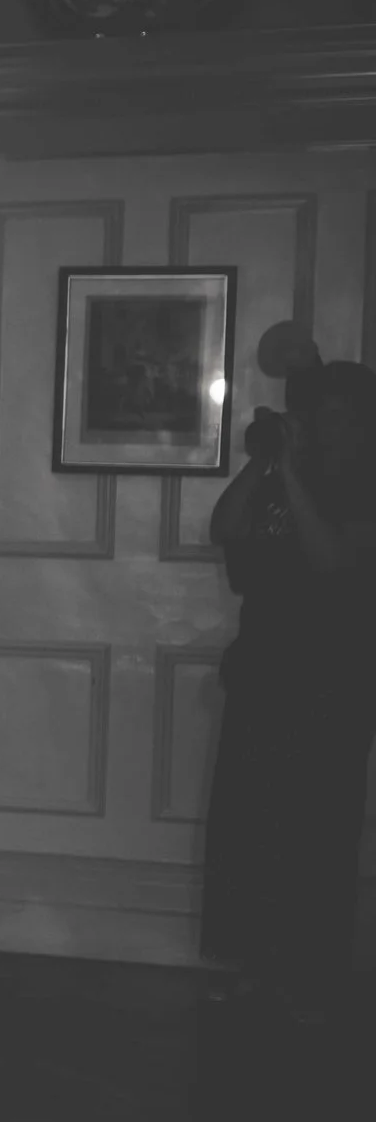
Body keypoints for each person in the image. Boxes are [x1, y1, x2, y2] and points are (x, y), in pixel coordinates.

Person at [202, 359, 376, 1024]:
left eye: (336, 417)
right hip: (264, 671)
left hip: (333, 681)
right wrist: (265, 462)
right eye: (314, 416)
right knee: (253, 826)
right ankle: (256, 965)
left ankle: (310, 976)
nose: (323, 429)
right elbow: (224, 528)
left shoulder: (361, 487)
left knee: (318, 831)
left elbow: (333, 560)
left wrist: (296, 478)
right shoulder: (277, 477)